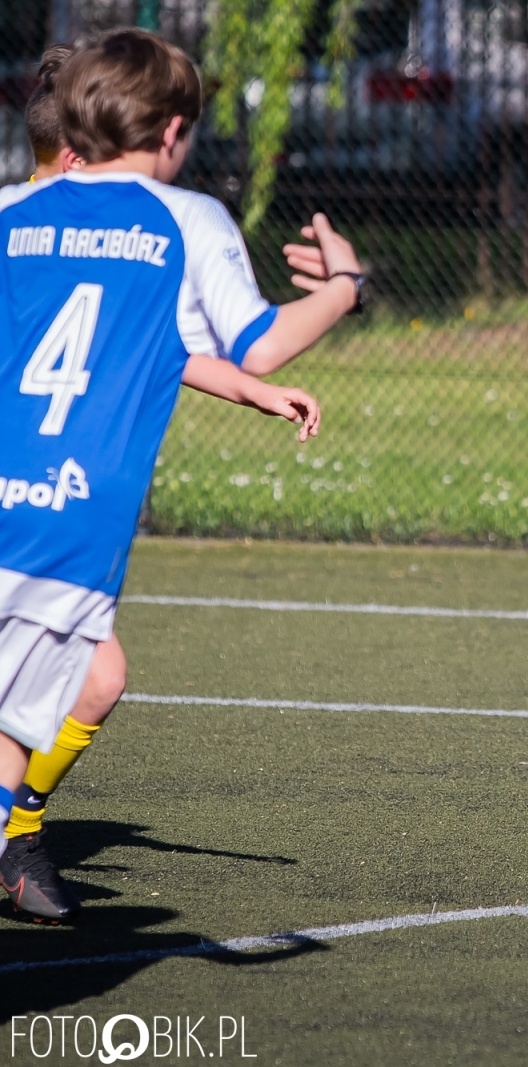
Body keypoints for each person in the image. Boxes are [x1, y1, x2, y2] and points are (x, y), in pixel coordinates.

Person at [0, 29, 362, 916]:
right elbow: (265, 340)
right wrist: (348, 281)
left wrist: (243, 392)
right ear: (172, 134)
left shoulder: (11, 211)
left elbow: (139, 344)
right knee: (17, 730)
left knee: (43, 715)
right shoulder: (184, 218)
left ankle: (17, 847)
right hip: (66, 527)